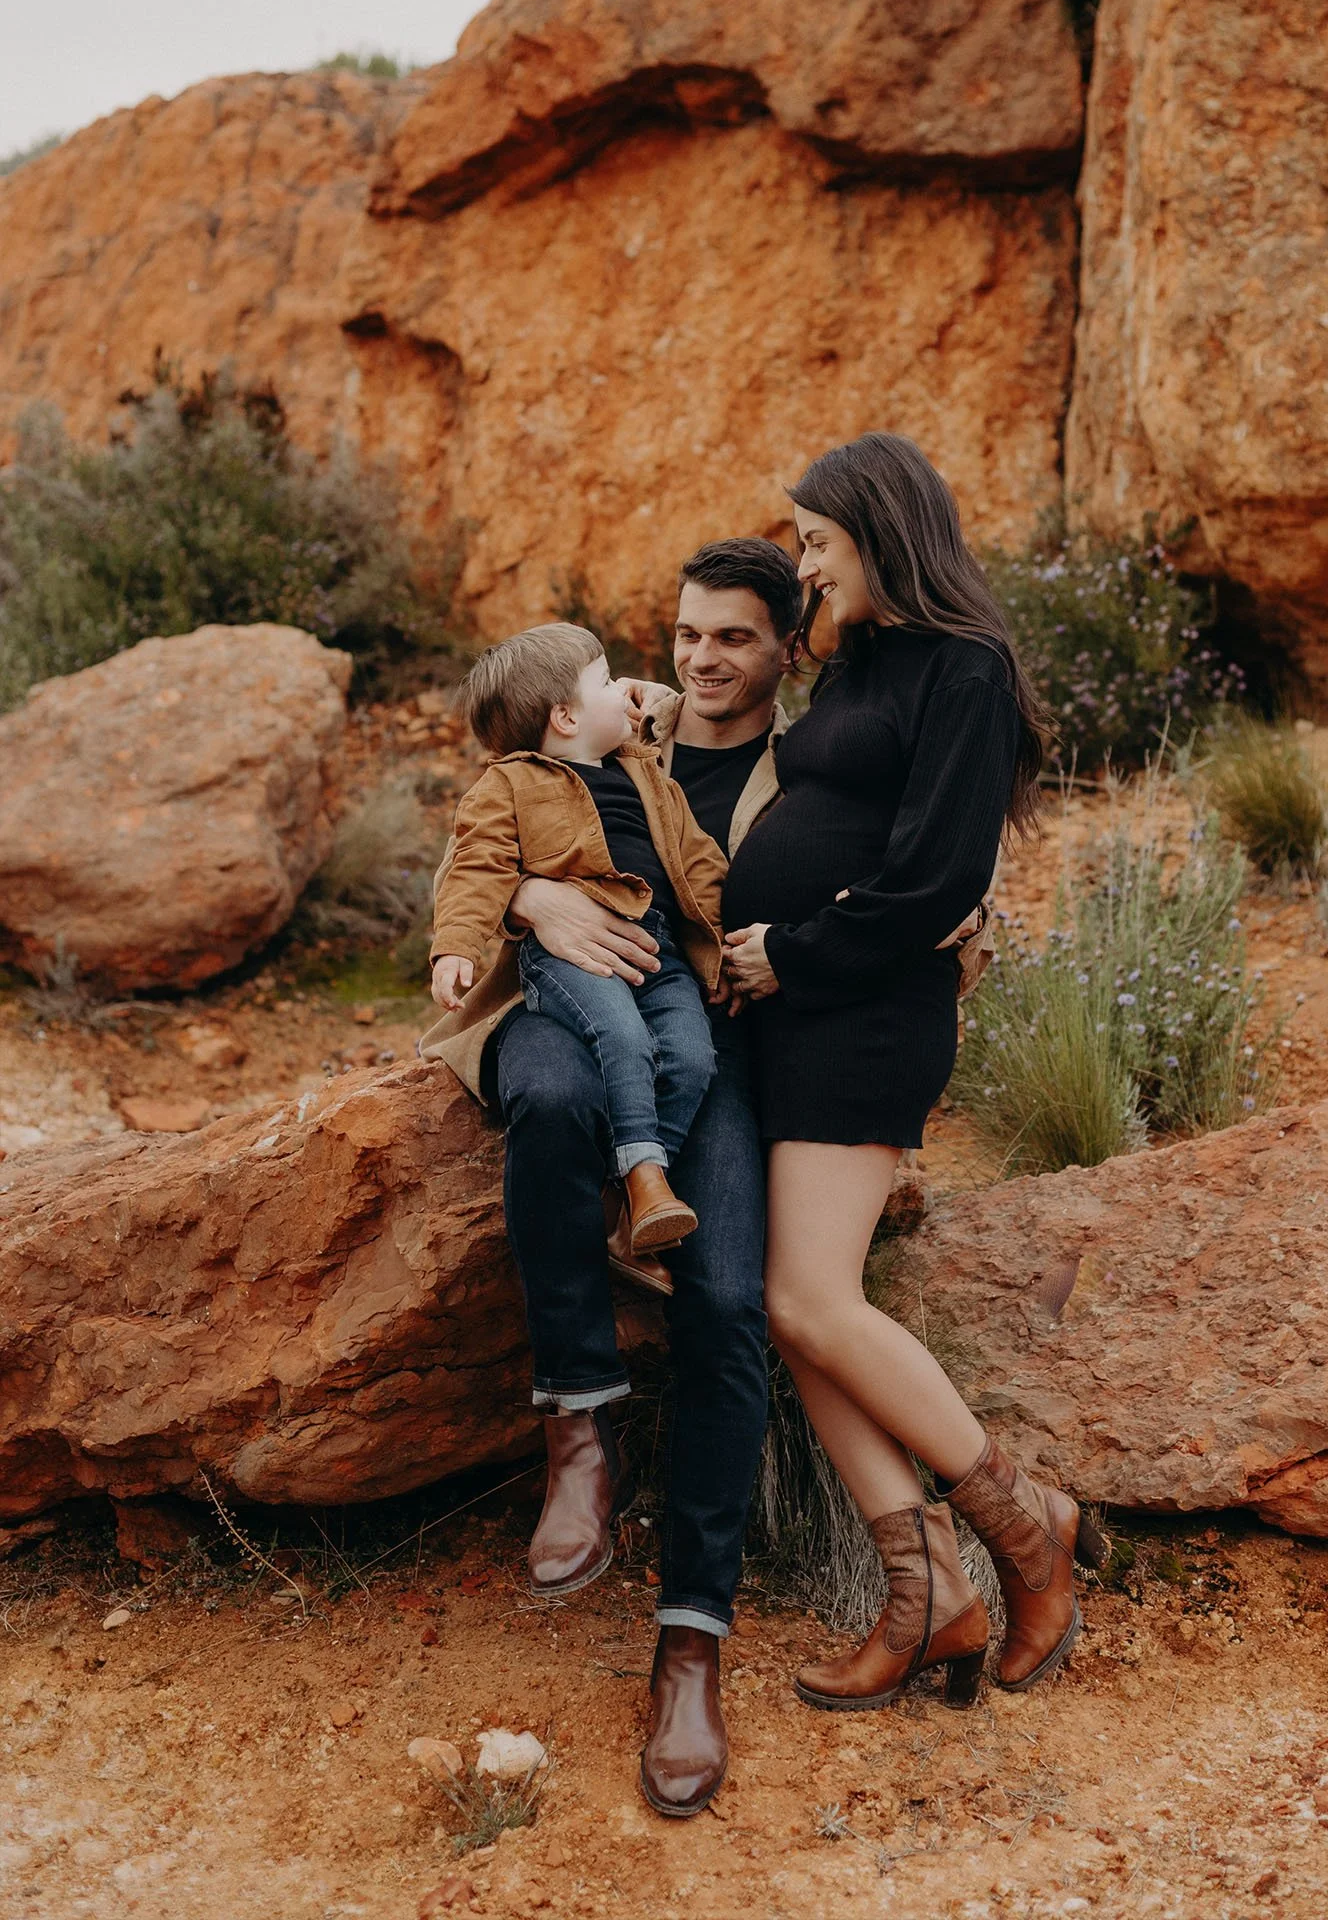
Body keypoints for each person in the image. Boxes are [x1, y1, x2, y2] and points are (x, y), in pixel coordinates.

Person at [721, 433, 1108, 1715]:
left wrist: (794, 951)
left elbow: (941, 876)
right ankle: (927, 1592)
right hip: (792, 1010)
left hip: (861, 1011)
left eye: (818, 543)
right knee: (793, 1304)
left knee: (814, 1301)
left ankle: (1021, 1528)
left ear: (880, 531)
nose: (806, 567)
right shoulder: (863, 658)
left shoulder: (966, 668)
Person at [421, 537, 800, 1819]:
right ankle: (575, 1420)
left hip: (704, 1022)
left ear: (785, 649)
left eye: (734, 638)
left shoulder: (814, 758)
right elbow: (500, 801)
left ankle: (691, 1636)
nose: (698, 660)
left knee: (732, 1303)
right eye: (686, 634)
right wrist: (527, 896)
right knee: (551, 1092)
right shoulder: (622, 715)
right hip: (560, 999)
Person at [429, 623, 724, 1259]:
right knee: (623, 1040)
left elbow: (697, 862)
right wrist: (457, 943)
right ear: (565, 716)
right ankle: (645, 1181)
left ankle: (633, 1201)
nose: (625, 689)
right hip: (570, 957)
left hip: (662, 955)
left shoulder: (646, 777)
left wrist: (723, 943)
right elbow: (477, 861)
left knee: (692, 1057)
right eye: (608, 680)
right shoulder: (509, 784)